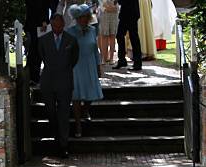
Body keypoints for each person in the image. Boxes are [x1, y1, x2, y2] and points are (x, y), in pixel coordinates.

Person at [38, 13, 80, 158]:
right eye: (54, 26)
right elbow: (42, 56)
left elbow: (74, 59)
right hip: (48, 82)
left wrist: (64, 71)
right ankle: (56, 138)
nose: (57, 28)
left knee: (63, 114)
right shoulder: (43, 40)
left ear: (63, 25)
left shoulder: (71, 40)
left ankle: (63, 145)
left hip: (65, 81)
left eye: (59, 26)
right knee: (51, 112)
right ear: (51, 25)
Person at [67, 4, 104, 138]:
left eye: (86, 17)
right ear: (77, 18)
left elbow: (95, 50)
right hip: (76, 66)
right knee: (76, 96)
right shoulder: (70, 31)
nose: (84, 19)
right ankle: (78, 125)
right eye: (81, 17)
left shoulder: (93, 30)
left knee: (92, 93)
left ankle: (85, 110)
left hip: (90, 64)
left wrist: (98, 66)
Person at [26, 0, 53, 84]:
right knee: (37, 51)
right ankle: (34, 76)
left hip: (33, 23)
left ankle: (33, 75)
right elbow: (42, 7)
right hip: (38, 24)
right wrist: (44, 20)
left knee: (34, 51)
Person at [113, 0, 142, 70]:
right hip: (126, 13)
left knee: (133, 38)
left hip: (131, 12)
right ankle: (122, 60)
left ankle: (137, 63)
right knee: (120, 35)